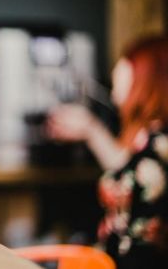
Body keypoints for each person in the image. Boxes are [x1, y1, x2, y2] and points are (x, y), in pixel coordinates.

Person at [48, 36, 168, 269]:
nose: (116, 75)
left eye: (126, 66)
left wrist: (90, 129)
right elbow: (127, 168)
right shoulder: (150, 139)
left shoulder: (160, 142)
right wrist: (90, 130)